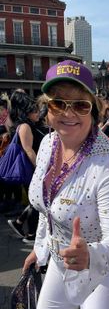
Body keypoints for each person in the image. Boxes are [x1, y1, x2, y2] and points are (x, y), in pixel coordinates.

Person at [22, 60, 109, 309]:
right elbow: (48, 204)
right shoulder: (47, 144)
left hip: (104, 268)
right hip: (61, 260)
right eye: (59, 103)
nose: (69, 113)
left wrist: (90, 255)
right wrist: (40, 249)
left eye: (80, 105)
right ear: (48, 109)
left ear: (94, 111)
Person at [6, 90, 45, 243]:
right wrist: (39, 169)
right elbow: (29, 149)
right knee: (36, 201)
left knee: (35, 201)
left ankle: (20, 223)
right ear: (27, 112)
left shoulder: (28, 124)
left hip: (30, 169)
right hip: (30, 170)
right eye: (34, 111)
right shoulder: (25, 127)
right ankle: (31, 233)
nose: (37, 113)